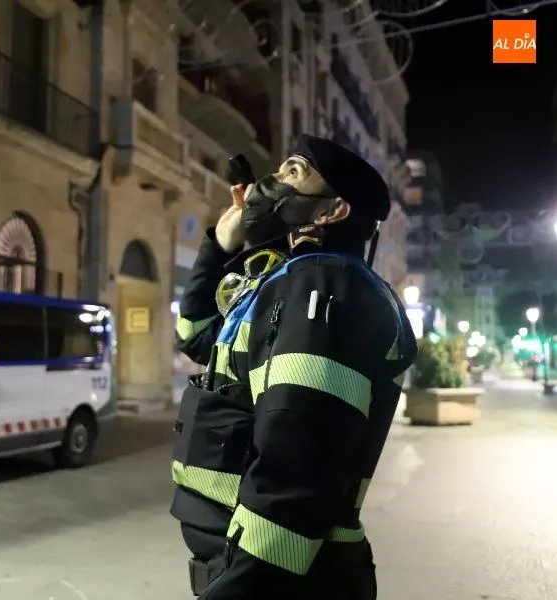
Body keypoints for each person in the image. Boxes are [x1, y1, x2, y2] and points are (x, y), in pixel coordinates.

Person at [171, 135, 418, 600]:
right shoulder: (284, 283)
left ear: (332, 210)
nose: (272, 180)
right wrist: (220, 245)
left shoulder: (325, 286)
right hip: (254, 570)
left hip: (284, 581)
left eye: (293, 172)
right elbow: (196, 335)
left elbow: (294, 479)